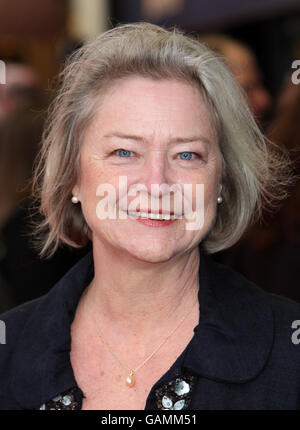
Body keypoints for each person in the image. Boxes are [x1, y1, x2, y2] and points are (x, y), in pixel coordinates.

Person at [0, 22, 299, 411]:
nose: (157, 184)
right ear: (73, 176)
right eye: (124, 152)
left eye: (187, 155)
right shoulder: (10, 351)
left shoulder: (288, 356)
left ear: (222, 181)